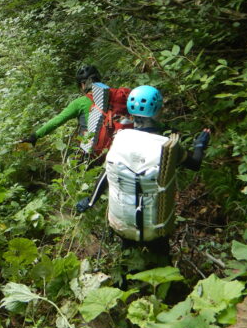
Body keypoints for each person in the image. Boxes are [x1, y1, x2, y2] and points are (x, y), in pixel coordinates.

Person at [75, 85, 211, 274]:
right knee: (162, 254)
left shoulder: (120, 139)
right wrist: (200, 144)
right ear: (158, 111)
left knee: (126, 257)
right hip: (156, 229)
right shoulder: (168, 147)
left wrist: (90, 202)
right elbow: (195, 164)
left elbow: (107, 174)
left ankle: (124, 279)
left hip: (121, 225)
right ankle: (165, 279)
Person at [19, 65, 104, 149]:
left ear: (82, 84)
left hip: (92, 148)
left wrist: (35, 136)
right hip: (113, 146)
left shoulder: (79, 103)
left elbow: (57, 120)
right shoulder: (114, 95)